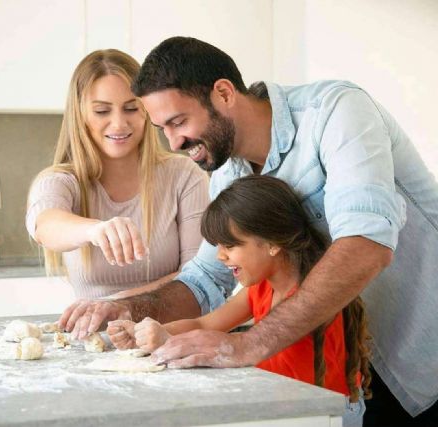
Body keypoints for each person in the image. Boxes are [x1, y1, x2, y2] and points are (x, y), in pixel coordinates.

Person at [59, 37, 438, 425]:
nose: (174, 142)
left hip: (426, 350)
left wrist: (248, 343)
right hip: (353, 371)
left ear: (223, 93)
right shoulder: (226, 175)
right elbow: (205, 279)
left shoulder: (336, 113)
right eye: (162, 129)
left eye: (178, 122)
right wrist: (128, 308)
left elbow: (366, 244)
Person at [109, 175, 372, 426]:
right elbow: (204, 325)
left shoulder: (309, 303)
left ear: (271, 243)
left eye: (230, 246)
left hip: (330, 412)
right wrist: (153, 334)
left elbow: (285, 385)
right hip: (290, 406)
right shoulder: (260, 288)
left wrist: (169, 342)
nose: (220, 257)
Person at [25, 49, 209, 338]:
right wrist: (95, 230)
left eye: (131, 108)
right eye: (101, 111)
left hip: (172, 340)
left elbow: (199, 277)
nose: (119, 124)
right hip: (94, 345)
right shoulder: (62, 181)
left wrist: (117, 304)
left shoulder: (184, 176)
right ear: (80, 114)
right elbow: (45, 224)